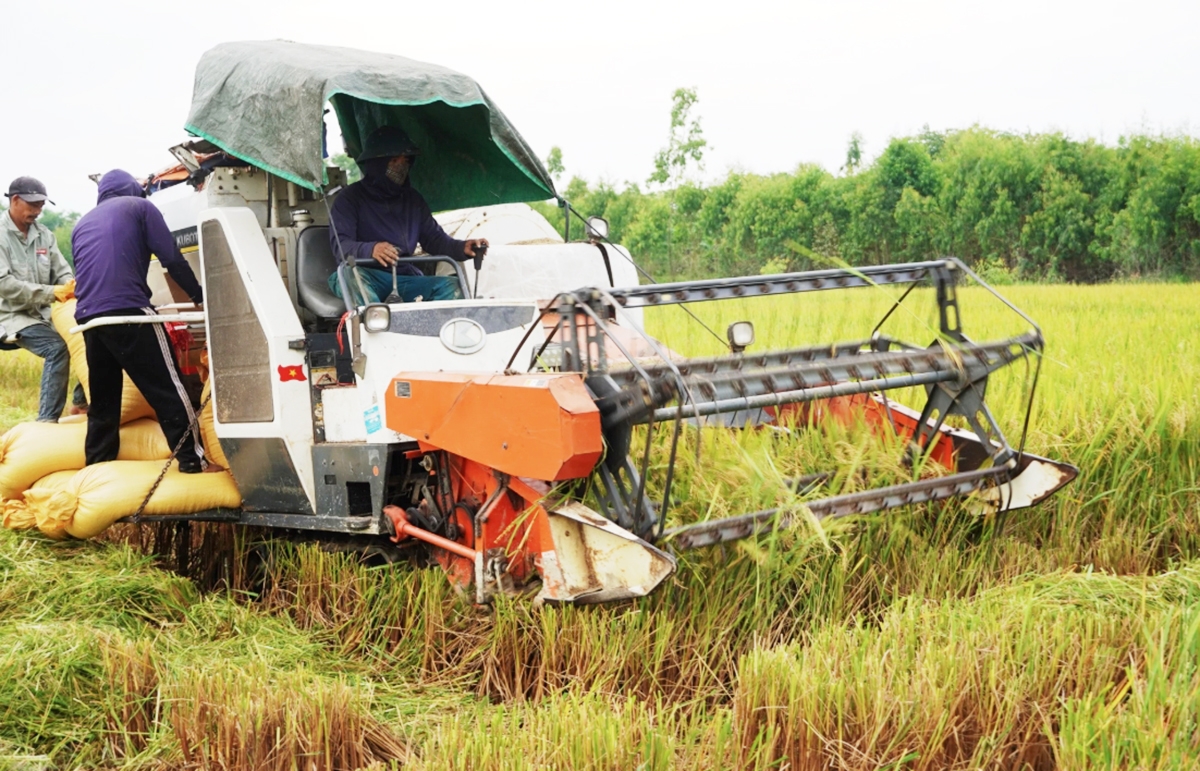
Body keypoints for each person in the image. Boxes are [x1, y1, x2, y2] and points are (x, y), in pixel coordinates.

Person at [71, 169, 208, 472]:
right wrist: (199, 296)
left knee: (104, 401)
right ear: (133, 189)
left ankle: (97, 467)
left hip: (89, 320)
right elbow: (171, 258)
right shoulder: (141, 207)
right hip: (128, 312)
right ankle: (192, 461)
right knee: (168, 388)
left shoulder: (81, 223)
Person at [328, 125, 488, 304]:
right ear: (376, 163)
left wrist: (462, 247)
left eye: (405, 160)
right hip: (366, 275)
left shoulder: (413, 200)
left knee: (451, 286)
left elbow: (434, 239)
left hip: (404, 277)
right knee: (353, 277)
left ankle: (429, 331)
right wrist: (371, 250)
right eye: (394, 160)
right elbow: (341, 247)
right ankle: (377, 326)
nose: (400, 166)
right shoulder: (349, 198)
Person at [0, 176, 82, 422]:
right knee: (56, 348)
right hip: (11, 315)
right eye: (33, 204)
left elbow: (63, 272)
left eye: (41, 205)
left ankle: (82, 404)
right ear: (15, 200)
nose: (38, 211)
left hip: (45, 314)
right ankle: (46, 422)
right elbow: (4, 285)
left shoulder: (45, 235)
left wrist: (70, 285)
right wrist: (51, 293)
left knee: (91, 336)